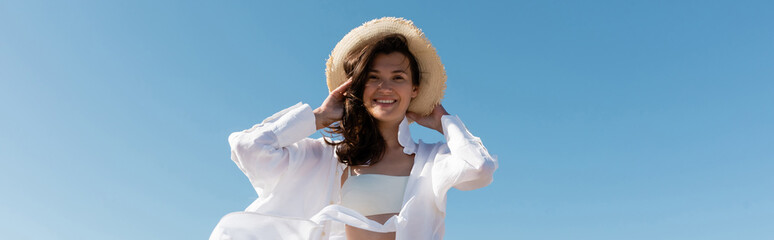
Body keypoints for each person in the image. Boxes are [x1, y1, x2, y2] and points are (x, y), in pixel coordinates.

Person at [210, 17, 498, 240]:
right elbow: (250, 148)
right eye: (373, 77)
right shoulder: (326, 157)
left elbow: (479, 168)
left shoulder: (431, 160)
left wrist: (445, 122)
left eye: (397, 77)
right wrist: (318, 117)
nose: (385, 87)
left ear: (414, 90)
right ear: (357, 88)